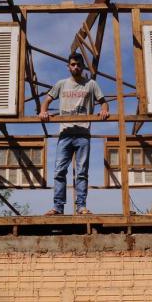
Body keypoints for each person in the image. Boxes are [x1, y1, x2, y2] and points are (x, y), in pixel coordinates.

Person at [39, 53, 109, 215]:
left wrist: (104, 110)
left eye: (78, 64)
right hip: (65, 133)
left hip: (83, 134)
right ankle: (58, 207)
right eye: (72, 64)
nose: (75, 67)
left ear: (83, 66)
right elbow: (47, 100)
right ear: (68, 66)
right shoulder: (62, 84)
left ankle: (81, 206)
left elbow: (103, 102)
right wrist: (43, 111)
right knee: (59, 171)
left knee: (82, 171)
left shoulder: (91, 84)